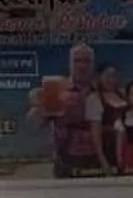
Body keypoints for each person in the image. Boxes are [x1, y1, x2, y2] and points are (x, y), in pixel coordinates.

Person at [36, 44, 104, 177]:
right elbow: (37, 123)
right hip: (65, 157)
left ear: (93, 64)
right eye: (77, 61)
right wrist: (40, 107)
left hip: (97, 157)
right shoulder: (56, 90)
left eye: (86, 61)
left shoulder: (103, 90)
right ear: (70, 63)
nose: (82, 66)